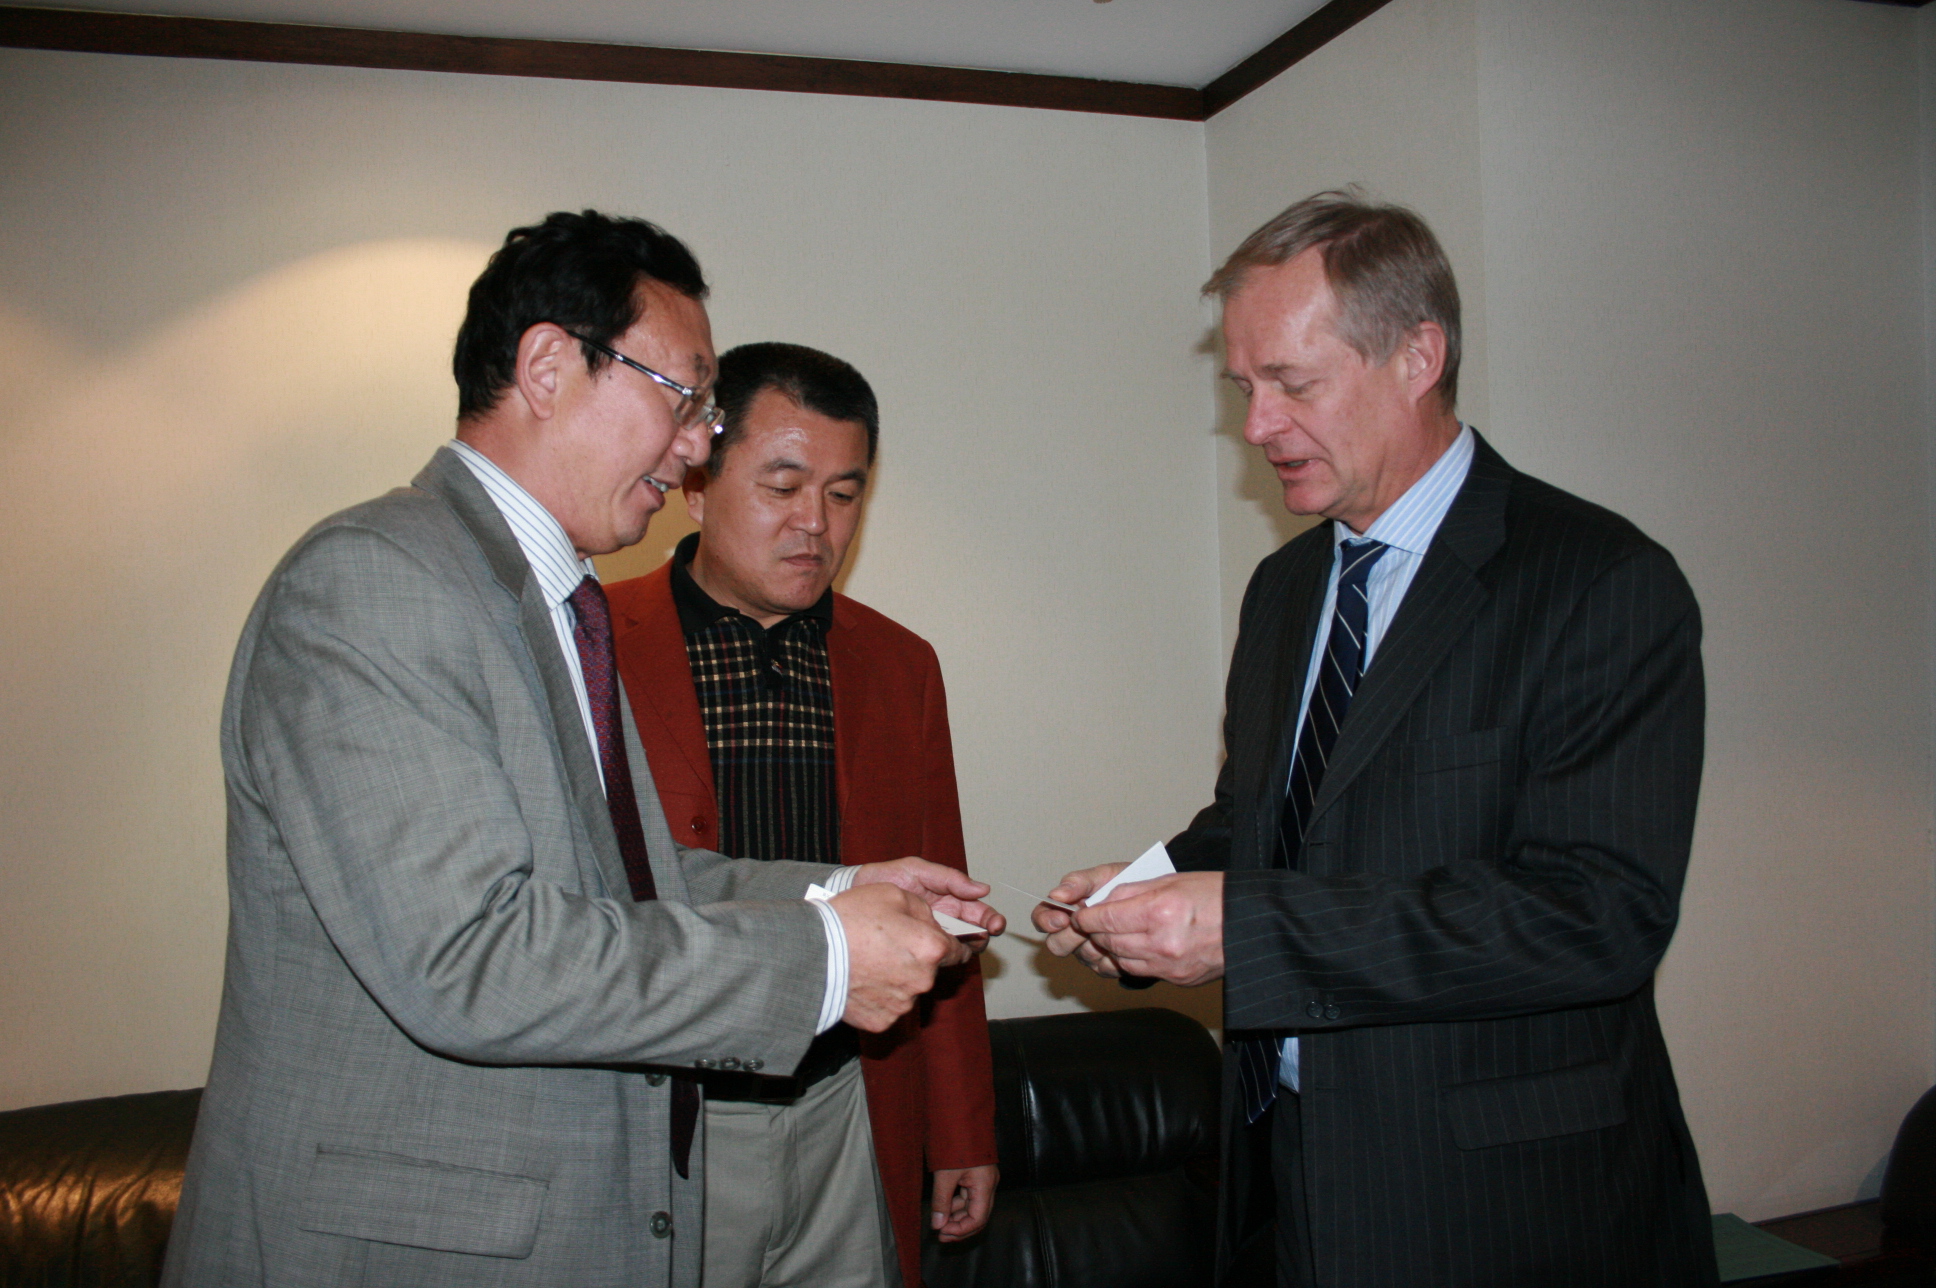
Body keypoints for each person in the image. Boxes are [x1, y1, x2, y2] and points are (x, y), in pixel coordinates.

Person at [161, 211, 1001, 1288]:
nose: (694, 445)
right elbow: (474, 954)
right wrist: (826, 957)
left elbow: (633, 885)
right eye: (683, 399)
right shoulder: (372, 582)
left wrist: (844, 888)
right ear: (550, 367)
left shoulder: (552, 601)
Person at [1036, 190, 1717, 1288]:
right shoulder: (1284, 588)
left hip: (1504, 1209)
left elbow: (1597, 914)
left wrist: (1245, 929)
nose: (1257, 427)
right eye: (1244, 389)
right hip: (1281, 1176)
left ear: (1417, 357)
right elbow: (1268, 823)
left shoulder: (1598, 581)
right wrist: (1150, 892)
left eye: (1292, 384)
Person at [607, 342, 998, 1288]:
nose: (815, 524)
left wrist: (962, 1130)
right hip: (668, 1114)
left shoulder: (899, 666)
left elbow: (942, 905)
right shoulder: (596, 643)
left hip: (846, 1106)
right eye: (782, 486)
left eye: (843, 494)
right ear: (696, 483)